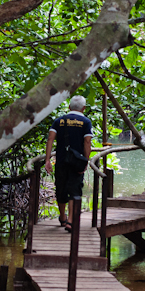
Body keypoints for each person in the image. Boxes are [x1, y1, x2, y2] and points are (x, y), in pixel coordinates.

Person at [44, 96, 93, 232]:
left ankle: (62, 216)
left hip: (61, 161)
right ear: (83, 108)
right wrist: (85, 161)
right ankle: (70, 221)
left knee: (61, 188)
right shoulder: (85, 122)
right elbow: (87, 142)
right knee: (74, 190)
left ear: (70, 107)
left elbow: (50, 139)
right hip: (76, 163)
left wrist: (47, 160)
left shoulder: (59, 121)